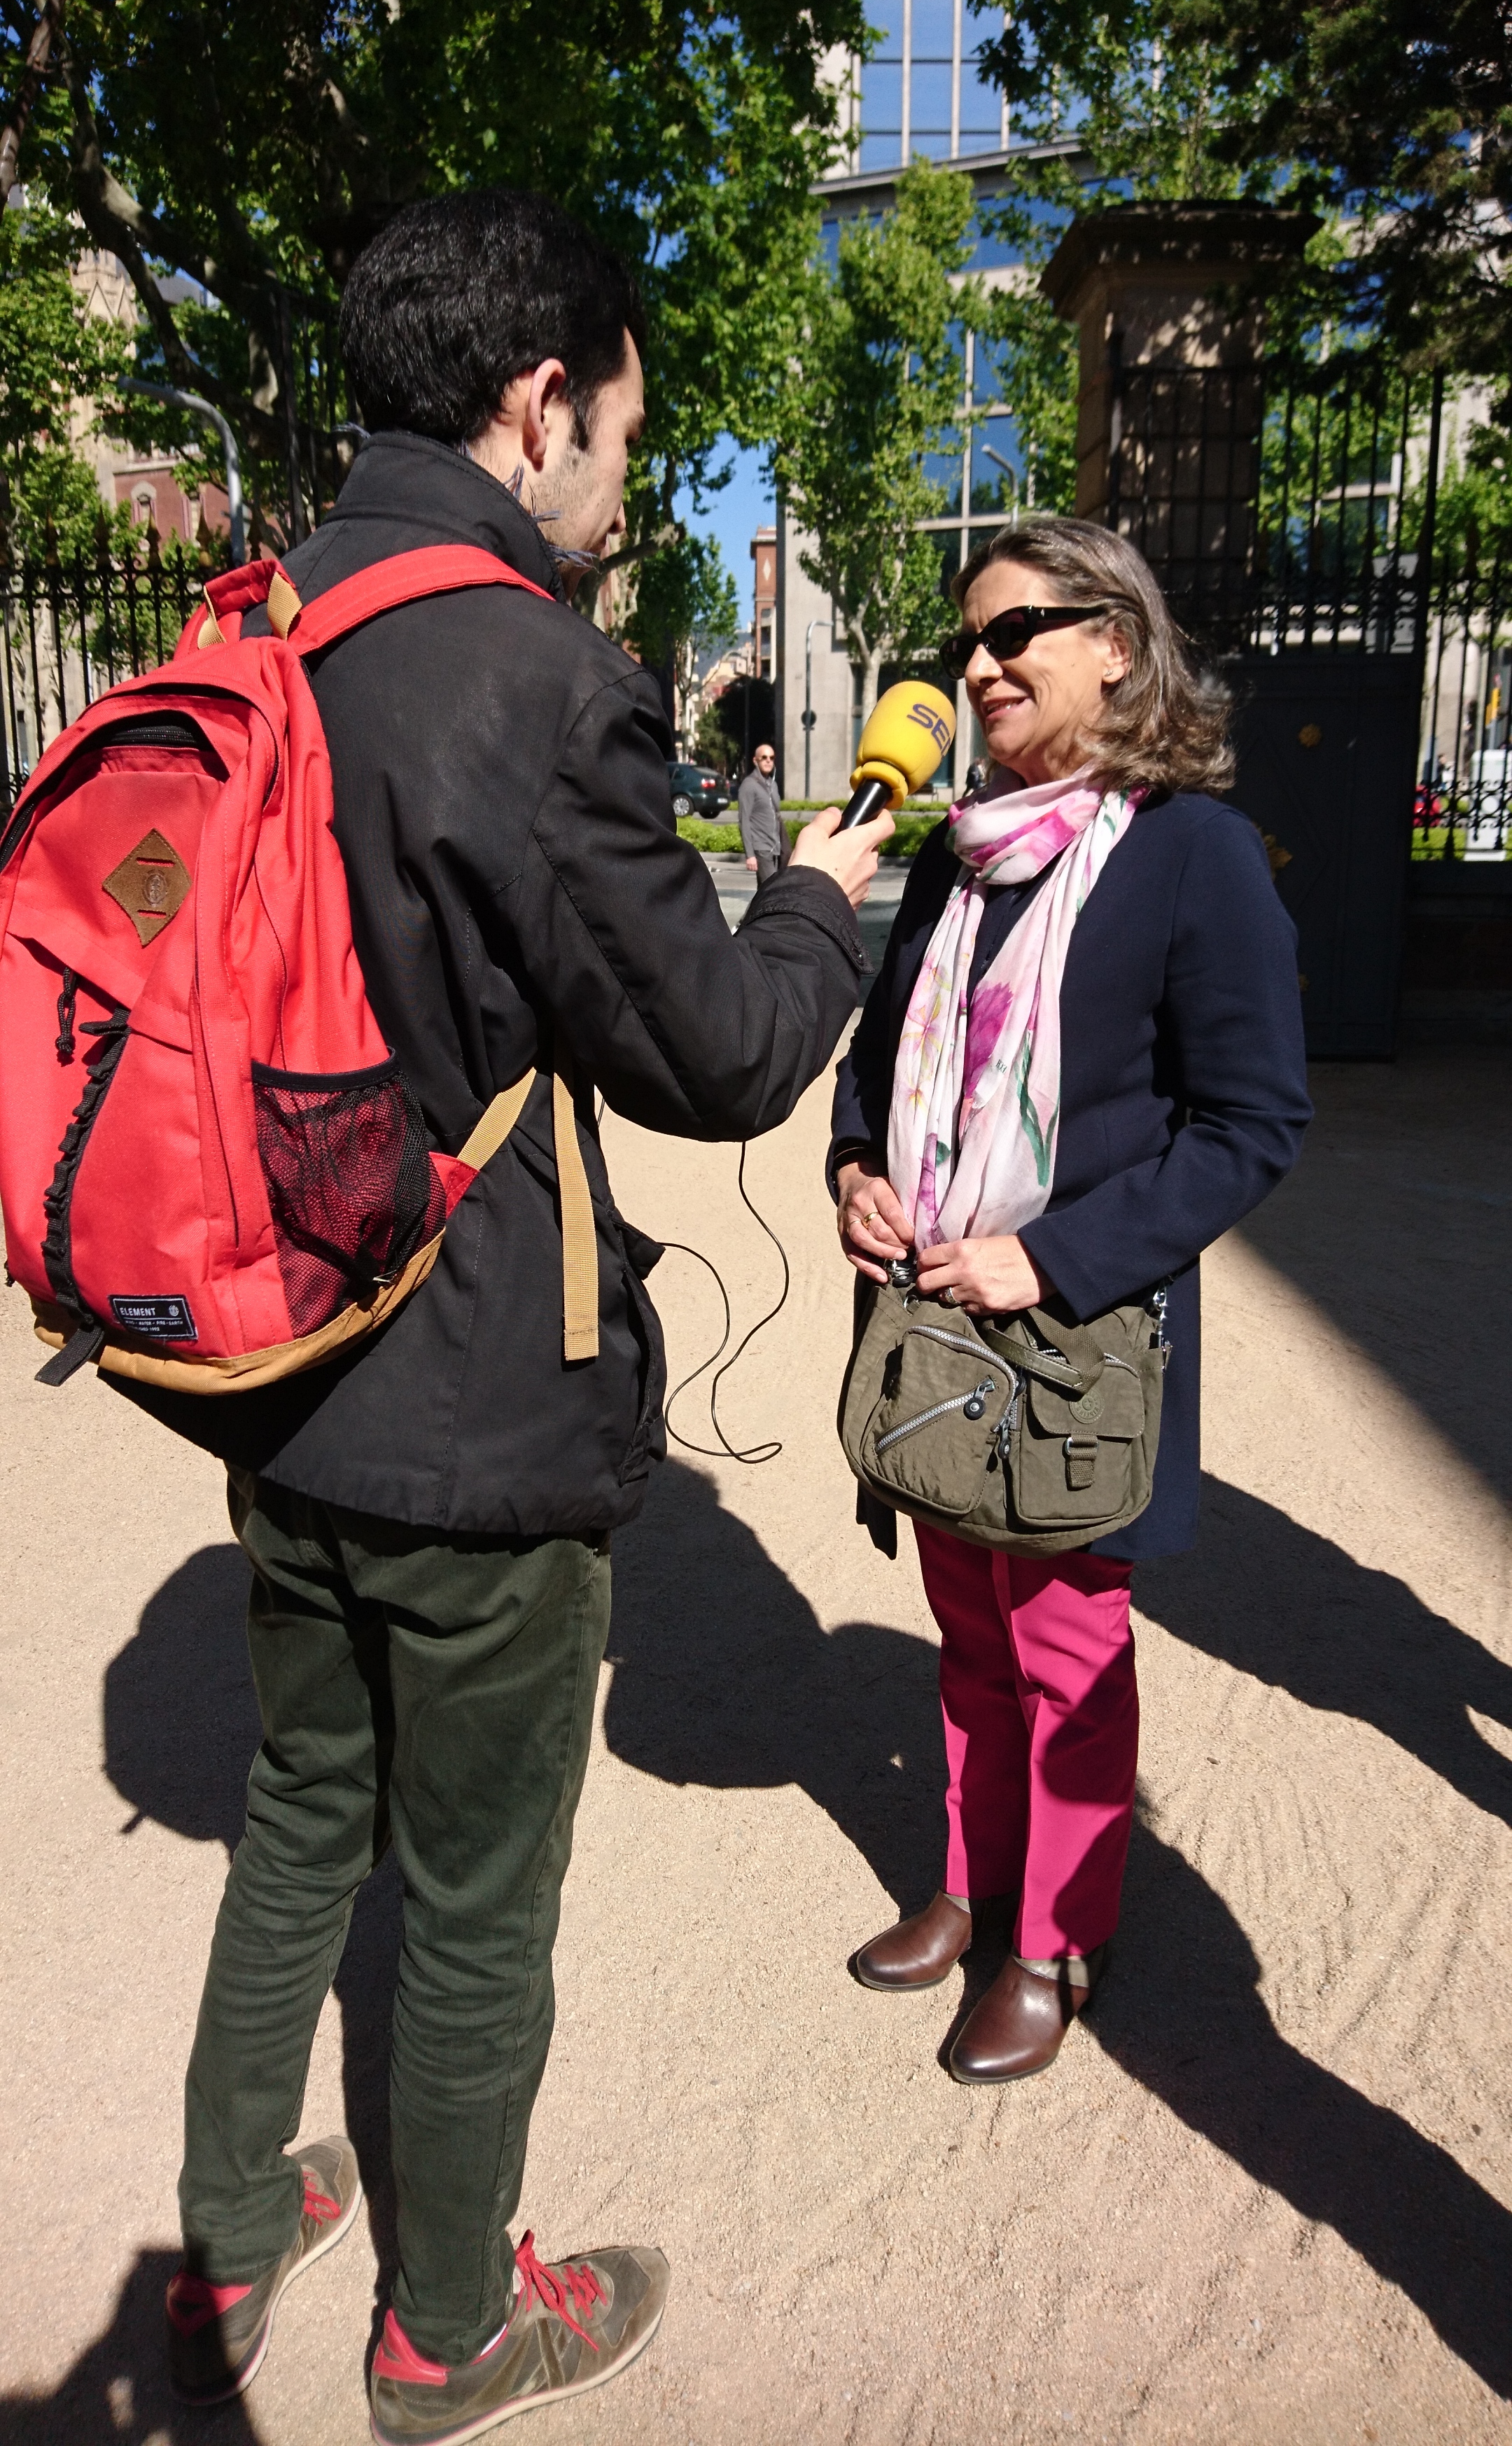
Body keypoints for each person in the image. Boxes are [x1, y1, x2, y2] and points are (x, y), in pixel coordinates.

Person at [129, 188, 889, 2441]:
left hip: (263, 1356)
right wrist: (822, 905)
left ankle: (229, 2225)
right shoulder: (540, 671)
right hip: (472, 1393)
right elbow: (724, 1052)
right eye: (626, 430)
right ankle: (453, 2326)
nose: (625, 478)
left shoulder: (254, 612)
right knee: (473, 1898)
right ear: (538, 399)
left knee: (298, 1813)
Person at [830, 516, 1310, 2085]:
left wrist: (1051, 1257)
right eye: (967, 642)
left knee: (1064, 1651)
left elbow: (1253, 1125)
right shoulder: (963, 853)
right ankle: (972, 1890)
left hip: (1074, 1340)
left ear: (1116, 639)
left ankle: (1055, 1938)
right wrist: (856, 1173)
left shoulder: (1194, 856)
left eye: (1012, 630)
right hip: (931, 1320)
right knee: (966, 1637)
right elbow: (873, 1056)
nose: (977, 665)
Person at [738, 739, 790, 885]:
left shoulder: (773, 785)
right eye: (764, 758)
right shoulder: (749, 786)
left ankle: (756, 909)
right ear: (756, 761)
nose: (768, 761)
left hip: (776, 848)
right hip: (761, 849)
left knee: (766, 891)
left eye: (772, 758)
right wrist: (750, 855)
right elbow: (744, 821)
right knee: (771, 889)